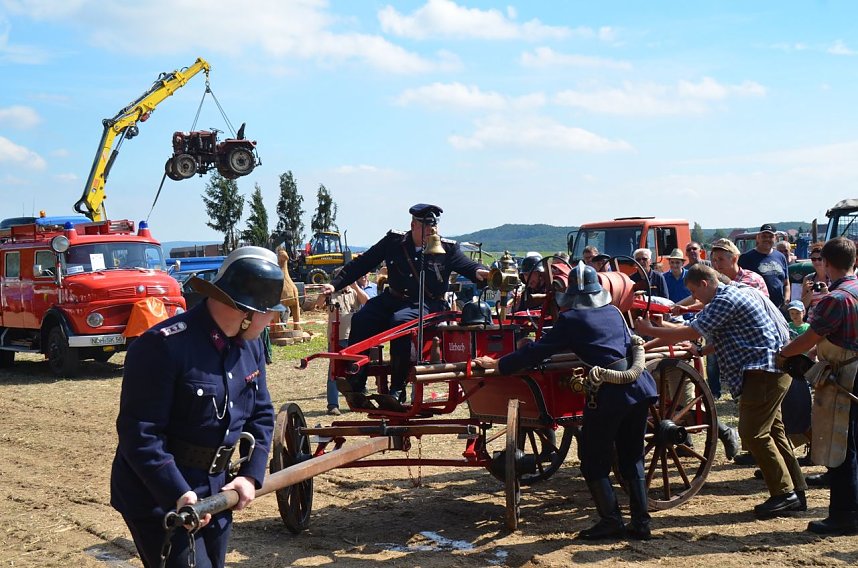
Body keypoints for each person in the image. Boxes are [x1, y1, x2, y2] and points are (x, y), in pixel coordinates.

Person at [111, 246, 283, 567]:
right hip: (158, 494)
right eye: (268, 310)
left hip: (217, 489)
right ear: (244, 311)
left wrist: (250, 475)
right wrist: (177, 492)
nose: (273, 318)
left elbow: (261, 414)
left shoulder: (250, 346)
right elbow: (140, 434)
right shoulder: (162, 346)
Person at [475, 262, 658, 540]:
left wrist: (498, 365)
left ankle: (611, 521)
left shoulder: (571, 320)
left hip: (610, 393)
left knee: (592, 461)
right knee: (632, 457)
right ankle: (641, 523)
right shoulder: (614, 312)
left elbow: (536, 354)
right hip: (640, 387)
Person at [635, 264, 806, 519]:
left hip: (763, 372)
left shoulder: (725, 299)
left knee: (753, 435)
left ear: (704, 283)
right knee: (773, 432)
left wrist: (649, 330)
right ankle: (796, 491)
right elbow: (734, 334)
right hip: (773, 369)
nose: (696, 299)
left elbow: (693, 331)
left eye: (694, 292)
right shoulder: (742, 291)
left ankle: (783, 494)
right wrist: (699, 350)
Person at [321, 204, 489, 403]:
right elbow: (363, 263)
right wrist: (334, 285)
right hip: (393, 298)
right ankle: (356, 379)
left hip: (428, 304)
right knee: (361, 318)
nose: (431, 231)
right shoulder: (394, 241)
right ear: (413, 225)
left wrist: (480, 271)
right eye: (426, 227)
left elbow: (467, 266)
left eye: (433, 227)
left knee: (399, 323)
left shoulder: (447, 248)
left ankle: (397, 389)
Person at [779, 237, 858, 534]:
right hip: (853, 375)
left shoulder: (834, 299)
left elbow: (809, 338)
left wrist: (784, 353)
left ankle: (845, 515)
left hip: (843, 379)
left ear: (825, 263)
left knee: (840, 448)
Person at [316, 269, 371, 415]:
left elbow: (367, 301)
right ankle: (333, 405)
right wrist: (323, 293)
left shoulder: (354, 292)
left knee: (355, 370)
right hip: (337, 338)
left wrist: (355, 286)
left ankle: (357, 401)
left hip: (354, 338)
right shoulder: (332, 294)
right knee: (334, 372)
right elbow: (318, 304)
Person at [739, 224, 790, 307]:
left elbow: (786, 283)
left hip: (779, 308)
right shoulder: (746, 258)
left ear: (776, 238)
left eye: (770, 236)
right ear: (758, 238)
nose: (767, 239)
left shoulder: (781, 257)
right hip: (757, 307)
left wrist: (786, 301)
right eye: (764, 236)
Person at [802, 243, 830, 313]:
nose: (816, 261)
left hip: (829, 317)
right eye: (813, 259)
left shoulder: (832, 277)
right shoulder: (808, 278)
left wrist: (827, 293)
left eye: (820, 259)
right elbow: (803, 305)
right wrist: (810, 292)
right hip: (813, 318)